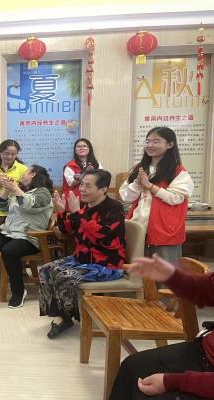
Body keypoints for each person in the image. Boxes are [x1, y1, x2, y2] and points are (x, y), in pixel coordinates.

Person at [109, 254, 214, 400]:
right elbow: (206, 288)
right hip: (205, 352)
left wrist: (170, 382)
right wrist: (171, 275)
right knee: (132, 367)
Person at [39, 169, 126, 339]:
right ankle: (61, 317)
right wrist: (63, 212)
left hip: (106, 264)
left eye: (88, 186)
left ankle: (66, 316)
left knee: (63, 275)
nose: (82, 189)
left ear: (103, 189)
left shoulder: (114, 208)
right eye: (82, 185)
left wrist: (77, 213)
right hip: (82, 259)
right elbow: (67, 231)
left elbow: (100, 234)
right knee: (46, 269)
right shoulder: (83, 206)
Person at [0, 165, 53, 308]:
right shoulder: (22, 190)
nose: (23, 174)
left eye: (26, 172)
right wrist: (6, 189)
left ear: (33, 174)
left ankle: (19, 292)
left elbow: (27, 204)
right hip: (10, 232)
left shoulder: (43, 192)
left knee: (8, 251)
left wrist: (15, 188)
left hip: (30, 237)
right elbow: (0, 206)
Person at [120, 127, 194, 264]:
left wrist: (150, 187)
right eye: (148, 141)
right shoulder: (140, 168)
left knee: (164, 272)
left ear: (170, 144)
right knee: (138, 271)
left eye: (155, 141)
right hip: (139, 226)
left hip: (164, 230)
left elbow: (175, 198)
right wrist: (137, 183)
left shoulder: (178, 171)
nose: (150, 145)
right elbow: (126, 197)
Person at [0, 139, 28, 237]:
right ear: (0, 152)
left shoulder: (23, 169)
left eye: (13, 154)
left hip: (15, 213)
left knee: (10, 243)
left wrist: (12, 185)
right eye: (7, 153)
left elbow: (27, 192)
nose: (10, 157)